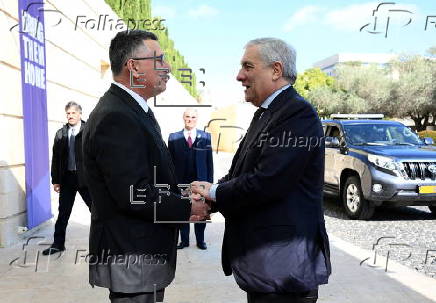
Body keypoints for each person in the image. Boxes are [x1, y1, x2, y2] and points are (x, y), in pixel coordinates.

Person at [191, 38, 331, 303]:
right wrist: (209, 198)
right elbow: (241, 173)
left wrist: (215, 192)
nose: (239, 75)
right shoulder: (267, 113)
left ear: (276, 70)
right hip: (268, 269)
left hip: (284, 271)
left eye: (248, 66)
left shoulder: (297, 114)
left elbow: (268, 181)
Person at [81, 30, 209, 303]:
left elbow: (144, 177)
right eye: (159, 60)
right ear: (134, 66)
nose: (168, 67)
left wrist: (181, 194)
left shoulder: (133, 110)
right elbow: (133, 193)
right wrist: (187, 208)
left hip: (140, 258)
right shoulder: (116, 116)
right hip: (132, 260)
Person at [42, 101, 92, 256]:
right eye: (68, 113)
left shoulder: (89, 131)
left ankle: (105, 243)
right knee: (63, 212)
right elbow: (56, 159)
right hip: (67, 178)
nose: (70, 116)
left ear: (79, 114)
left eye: (73, 113)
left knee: (97, 211)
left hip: (86, 179)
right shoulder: (61, 134)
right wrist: (55, 180)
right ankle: (58, 244)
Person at [168, 109, 213, 250]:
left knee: (202, 209)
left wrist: (210, 182)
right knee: (183, 210)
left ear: (197, 119)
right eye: (187, 116)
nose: (190, 119)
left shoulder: (206, 136)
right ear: (183, 118)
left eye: (193, 117)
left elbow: (209, 161)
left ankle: (201, 241)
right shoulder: (173, 137)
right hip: (181, 180)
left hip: (200, 180)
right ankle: (184, 241)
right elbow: (170, 162)